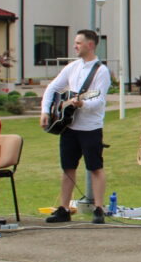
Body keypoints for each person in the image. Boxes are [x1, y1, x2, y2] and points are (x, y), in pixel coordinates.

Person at [40, 30, 111, 224]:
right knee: (68, 167)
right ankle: (63, 208)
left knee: (95, 167)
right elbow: (53, 88)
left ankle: (98, 208)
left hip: (91, 127)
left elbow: (99, 99)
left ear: (90, 45)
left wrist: (83, 104)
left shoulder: (101, 71)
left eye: (79, 43)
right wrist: (46, 111)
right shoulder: (72, 67)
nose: (75, 46)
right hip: (69, 126)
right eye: (75, 42)